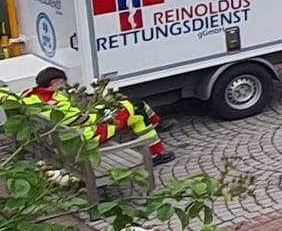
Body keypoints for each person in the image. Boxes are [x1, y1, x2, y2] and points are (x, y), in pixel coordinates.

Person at [26, 68, 174, 165]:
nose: (65, 87)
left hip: (62, 136)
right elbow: (83, 120)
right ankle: (155, 153)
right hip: (88, 135)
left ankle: (155, 123)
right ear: (55, 82)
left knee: (131, 104)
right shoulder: (56, 102)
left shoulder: (30, 95)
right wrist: (101, 107)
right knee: (135, 109)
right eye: (63, 83)